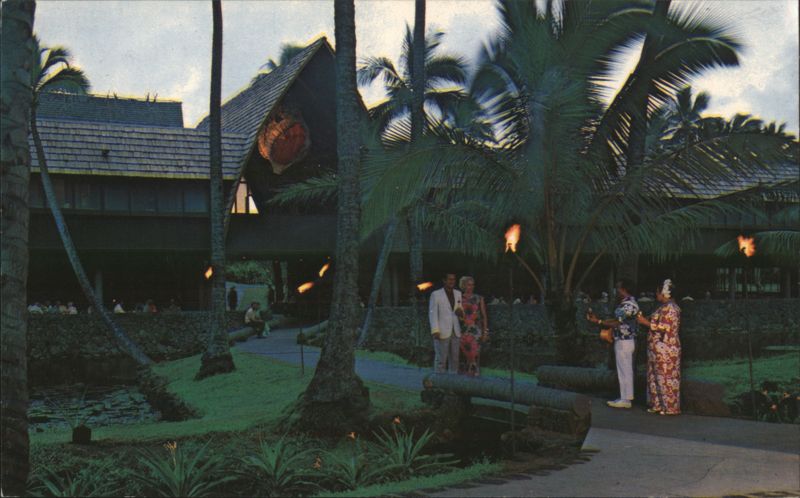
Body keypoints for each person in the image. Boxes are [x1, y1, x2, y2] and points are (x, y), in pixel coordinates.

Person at [586, 279, 639, 409]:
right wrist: (598, 320)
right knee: (623, 369)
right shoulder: (626, 304)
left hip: (625, 341)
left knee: (625, 369)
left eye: (618, 288)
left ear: (624, 290)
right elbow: (616, 320)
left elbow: (617, 323)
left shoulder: (629, 305)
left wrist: (599, 322)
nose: (616, 291)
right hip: (622, 340)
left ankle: (626, 399)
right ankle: (624, 397)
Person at [637, 279, 682, 415]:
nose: (656, 295)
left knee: (666, 377)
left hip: (667, 348)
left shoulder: (672, 309)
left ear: (664, 293)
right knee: (654, 376)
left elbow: (665, 327)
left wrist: (645, 323)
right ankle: (656, 404)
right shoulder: (662, 308)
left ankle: (669, 407)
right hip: (656, 347)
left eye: (657, 292)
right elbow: (652, 320)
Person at [429, 272, 462, 374]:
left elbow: (459, 311)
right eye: (449, 279)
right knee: (441, 360)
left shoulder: (458, 293)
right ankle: (439, 384)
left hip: (455, 331)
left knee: (455, 360)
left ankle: (452, 384)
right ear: (444, 280)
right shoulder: (436, 294)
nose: (452, 281)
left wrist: (461, 313)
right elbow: (432, 313)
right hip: (441, 331)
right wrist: (435, 330)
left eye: (453, 279)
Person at [458, 276, 489, 377]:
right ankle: (467, 377)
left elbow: (484, 316)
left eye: (472, 285)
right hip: (463, 330)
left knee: (475, 354)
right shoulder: (459, 298)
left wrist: (485, 332)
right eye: (468, 285)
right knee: (466, 355)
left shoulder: (479, 298)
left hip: (476, 330)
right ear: (463, 286)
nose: (471, 287)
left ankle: (474, 375)